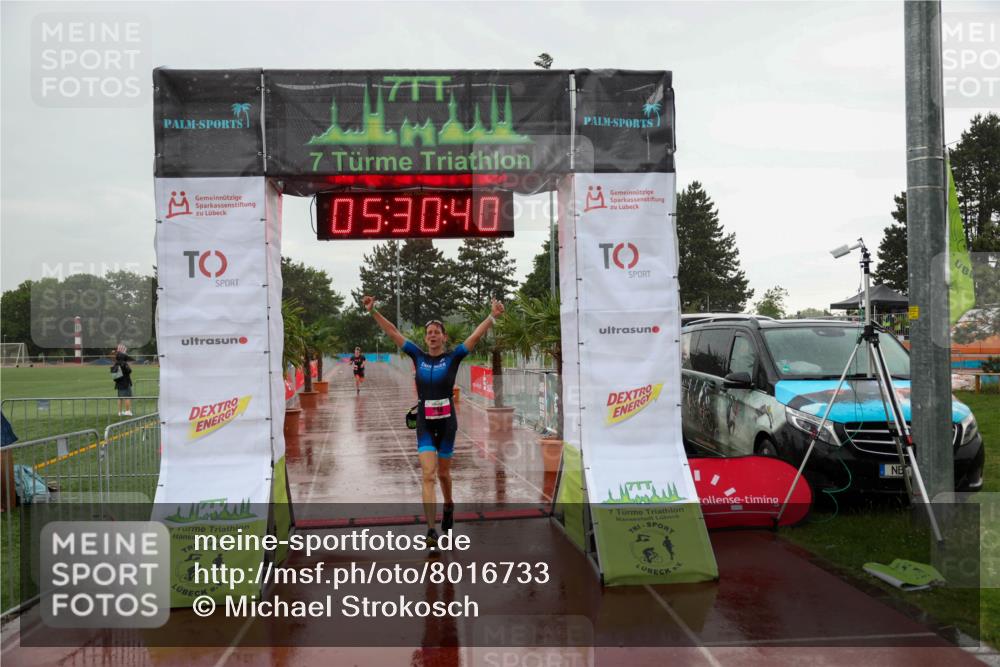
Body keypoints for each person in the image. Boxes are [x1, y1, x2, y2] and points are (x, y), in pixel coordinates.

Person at [363, 294, 504, 550]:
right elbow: (393, 332)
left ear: (444, 337)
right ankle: (430, 530)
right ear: (425, 337)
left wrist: (492, 316)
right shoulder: (417, 356)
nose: (432, 335)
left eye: (437, 331)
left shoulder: (453, 357)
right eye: (429, 332)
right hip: (425, 424)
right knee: (428, 475)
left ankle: (449, 504)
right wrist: (373, 312)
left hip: (448, 423)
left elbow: (474, 336)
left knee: (443, 474)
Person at [111, 351, 134, 416]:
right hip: (125, 382)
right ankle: (127, 411)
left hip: (119, 382)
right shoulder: (124, 363)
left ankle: (119, 412)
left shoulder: (116, 364)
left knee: (120, 397)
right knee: (127, 397)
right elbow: (129, 371)